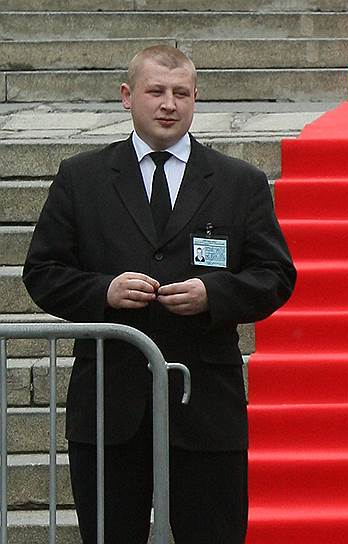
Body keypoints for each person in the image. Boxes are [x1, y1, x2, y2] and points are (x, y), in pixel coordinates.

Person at [22, 45, 296, 543]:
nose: (169, 104)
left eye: (181, 93)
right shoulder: (81, 177)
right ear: (127, 96)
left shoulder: (240, 182)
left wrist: (214, 295)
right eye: (156, 92)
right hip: (110, 407)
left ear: (196, 99)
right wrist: (104, 291)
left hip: (204, 406)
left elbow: (275, 275)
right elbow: (42, 272)